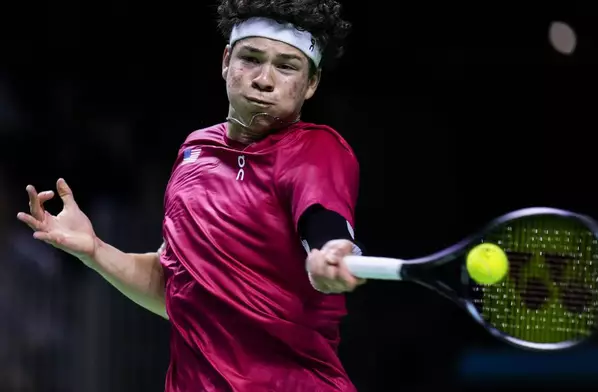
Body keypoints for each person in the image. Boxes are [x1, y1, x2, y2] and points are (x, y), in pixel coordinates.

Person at [17, 0, 364, 391]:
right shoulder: (195, 151)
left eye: (286, 67)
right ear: (226, 60)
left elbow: (325, 222)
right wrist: (94, 250)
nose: (264, 80)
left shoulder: (316, 150)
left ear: (311, 83)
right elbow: (179, 292)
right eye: (251, 58)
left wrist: (332, 251)